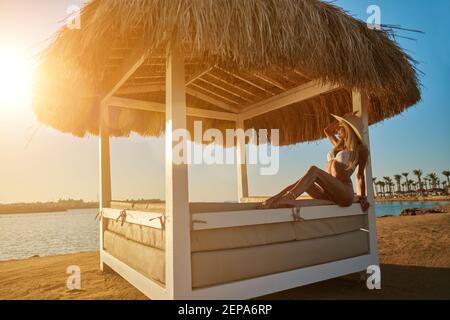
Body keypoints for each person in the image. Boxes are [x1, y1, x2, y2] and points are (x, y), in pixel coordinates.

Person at [260, 111, 370, 212]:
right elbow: (327, 130)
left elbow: (360, 175)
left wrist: (363, 197)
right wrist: (341, 120)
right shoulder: (339, 146)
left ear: (348, 128)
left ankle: (289, 198)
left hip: (344, 193)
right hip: (329, 192)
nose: (338, 129)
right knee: (305, 182)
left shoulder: (361, 149)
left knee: (314, 170)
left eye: (341, 126)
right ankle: (275, 198)